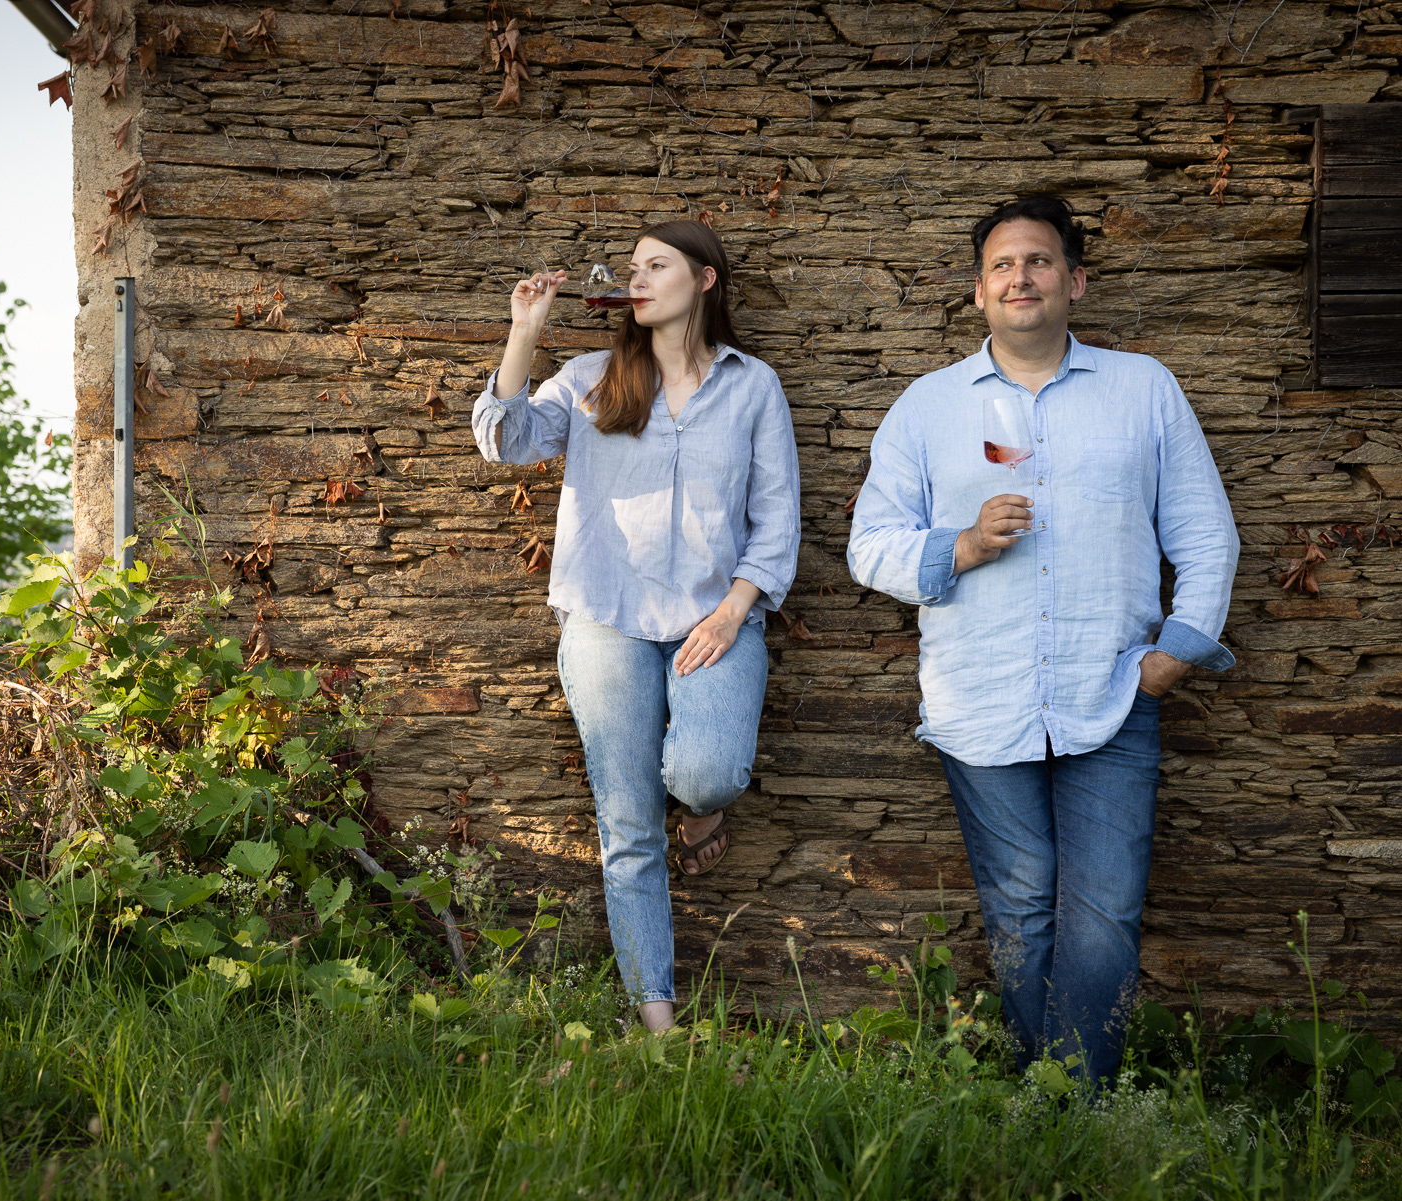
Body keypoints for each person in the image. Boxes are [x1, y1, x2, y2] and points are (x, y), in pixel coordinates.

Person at [848, 194, 1238, 1084]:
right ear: (979, 293)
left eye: (1039, 261)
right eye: (1001, 266)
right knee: (1020, 906)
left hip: (1113, 692)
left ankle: (1077, 1105)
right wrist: (965, 545)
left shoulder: (1144, 388)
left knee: (1105, 911)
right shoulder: (928, 406)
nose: (1019, 276)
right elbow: (869, 547)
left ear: (1075, 282)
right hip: (980, 696)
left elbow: (1205, 534)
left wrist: (1175, 652)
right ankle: (1050, 1099)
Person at [471, 220, 801, 1032]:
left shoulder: (752, 386)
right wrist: (524, 333)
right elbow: (502, 439)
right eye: (632, 267)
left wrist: (733, 611)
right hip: (607, 622)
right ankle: (658, 1025)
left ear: (706, 281)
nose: (637, 277)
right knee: (626, 825)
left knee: (709, 771)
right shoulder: (592, 378)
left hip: (713, 622)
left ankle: (703, 809)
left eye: (658, 265)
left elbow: (778, 519)